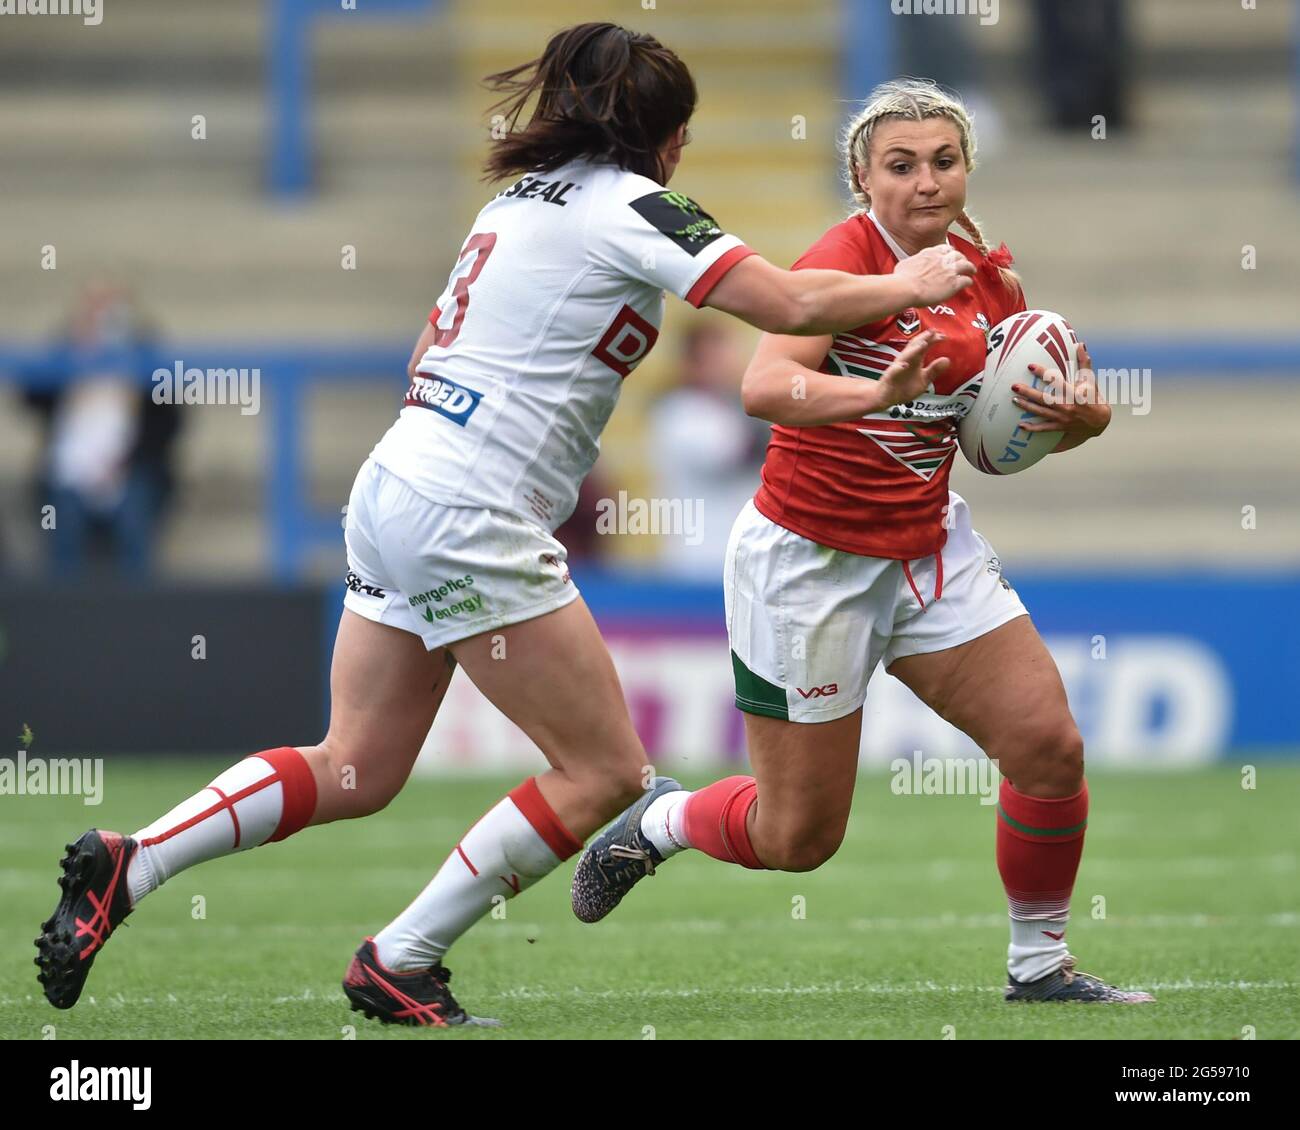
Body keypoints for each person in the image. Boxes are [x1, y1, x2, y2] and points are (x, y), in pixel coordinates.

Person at [34, 26, 976, 1026]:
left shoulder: (512, 202)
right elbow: (782, 298)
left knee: (354, 760)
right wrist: (907, 283)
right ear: (667, 134)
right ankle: (401, 956)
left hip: (399, 477)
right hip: (471, 508)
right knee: (608, 770)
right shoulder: (630, 205)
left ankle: (135, 861)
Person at [573, 78, 1155, 1005]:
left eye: (944, 161)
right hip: (807, 564)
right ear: (862, 178)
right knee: (796, 838)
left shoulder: (985, 271)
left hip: (928, 551)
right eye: (901, 165)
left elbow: (986, 436)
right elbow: (763, 389)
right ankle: (667, 820)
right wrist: (873, 394)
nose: (926, 182)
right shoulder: (839, 261)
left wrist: (1077, 421)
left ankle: (1039, 966)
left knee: (1049, 747)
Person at [648, 323, 767, 580]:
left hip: (740, 556)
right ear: (692, 363)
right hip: (701, 558)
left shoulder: (728, 408)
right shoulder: (680, 411)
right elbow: (741, 451)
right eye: (716, 355)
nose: (728, 362)